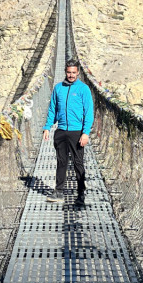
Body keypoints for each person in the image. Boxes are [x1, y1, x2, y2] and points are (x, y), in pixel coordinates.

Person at [43, 59, 94, 206]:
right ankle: (58, 191)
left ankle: (81, 194)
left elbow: (88, 112)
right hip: (61, 131)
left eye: (74, 72)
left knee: (78, 163)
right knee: (61, 162)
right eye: (69, 72)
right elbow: (52, 109)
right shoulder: (58, 88)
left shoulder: (83, 89)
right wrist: (47, 127)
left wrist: (85, 133)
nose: (71, 75)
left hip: (76, 132)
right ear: (65, 72)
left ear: (78, 72)